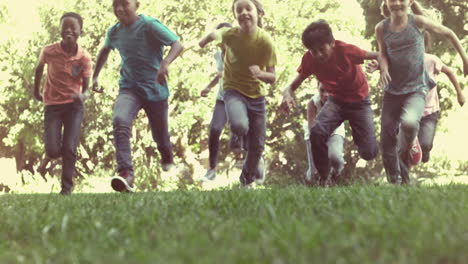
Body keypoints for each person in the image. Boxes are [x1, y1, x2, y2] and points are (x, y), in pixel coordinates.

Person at [91, 0, 183, 192]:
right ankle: (126, 173)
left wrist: (165, 63)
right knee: (120, 120)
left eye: (125, 4)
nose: (119, 9)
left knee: (160, 136)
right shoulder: (114, 32)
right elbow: (104, 51)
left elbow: (177, 44)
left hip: (155, 89)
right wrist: (95, 76)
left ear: (137, 4)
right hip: (129, 88)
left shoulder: (149, 25)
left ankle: (167, 156)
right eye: (116, 4)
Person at [375, 0, 468, 184]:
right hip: (392, 92)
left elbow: (448, 33)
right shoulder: (381, 28)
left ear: (410, 2)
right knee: (387, 137)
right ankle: (396, 182)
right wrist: (383, 68)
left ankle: (411, 144)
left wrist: (465, 59)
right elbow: (382, 53)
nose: (397, 3)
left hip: (416, 89)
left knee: (409, 123)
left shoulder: (417, 22)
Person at [282, 19, 379, 185]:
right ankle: (324, 176)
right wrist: (287, 94)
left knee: (368, 153)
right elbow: (292, 85)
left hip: (360, 102)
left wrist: (379, 66)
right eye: (314, 51)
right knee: (317, 132)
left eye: (322, 49)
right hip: (337, 102)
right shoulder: (309, 60)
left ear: (332, 43)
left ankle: (360, 134)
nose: (318, 54)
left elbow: (378, 54)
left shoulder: (346, 51)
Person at [199, 0, 277, 187]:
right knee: (240, 125)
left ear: (258, 13)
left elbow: (272, 77)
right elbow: (213, 34)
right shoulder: (230, 34)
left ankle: (246, 180)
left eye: (247, 8)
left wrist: (261, 74)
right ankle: (239, 136)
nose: (243, 13)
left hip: (257, 96)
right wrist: (203, 41)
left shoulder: (265, 41)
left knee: (257, 147)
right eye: (238, 10)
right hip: (233, 90)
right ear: (235, 15)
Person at [33, 12, 92, 195]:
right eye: (64, 27)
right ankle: (50, 157)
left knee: (69, 147)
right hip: (52, 106)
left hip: (74, 107)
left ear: (80, 31)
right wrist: (36, 92)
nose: (68, 31)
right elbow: (39, 68)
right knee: (52, 150)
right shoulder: (49, 51)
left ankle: (66, 189)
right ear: (59, 30)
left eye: (72, 28)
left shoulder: (84, 58)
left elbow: (87, 88)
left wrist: (82, 96)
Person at [198, 22, 244, 182]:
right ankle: (211, 169)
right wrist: (208, 87)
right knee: (215, 130)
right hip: (222, 98)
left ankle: (240, 157)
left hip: (238, 98)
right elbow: (220, 75)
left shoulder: (238, 52)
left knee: (236, 131)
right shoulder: (218, 54)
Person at [304, 82, 346, 185]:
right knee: (315, 174)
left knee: (335, 158)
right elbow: (312, 128)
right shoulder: (313, 103)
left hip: (334, 132)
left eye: (329, 91)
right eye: (322, 90)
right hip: (314, 135)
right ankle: (310, 179)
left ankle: (335, 174)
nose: (325, 94)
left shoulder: (339, 101)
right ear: (317, 88)